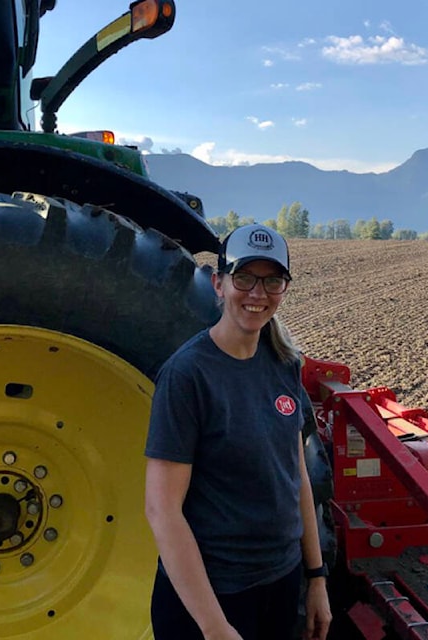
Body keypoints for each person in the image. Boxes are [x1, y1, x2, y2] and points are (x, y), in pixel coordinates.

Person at [144, 223, 332, 640]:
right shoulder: (188, 375)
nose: (257, 294)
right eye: (244, 277)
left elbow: (295, 473)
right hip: (211, 599)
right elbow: (162, 511)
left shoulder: (285, 364)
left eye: (272, 280)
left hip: (279, 585)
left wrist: (316, 578)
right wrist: (213, 627)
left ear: (284, 287)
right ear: (219, 283)